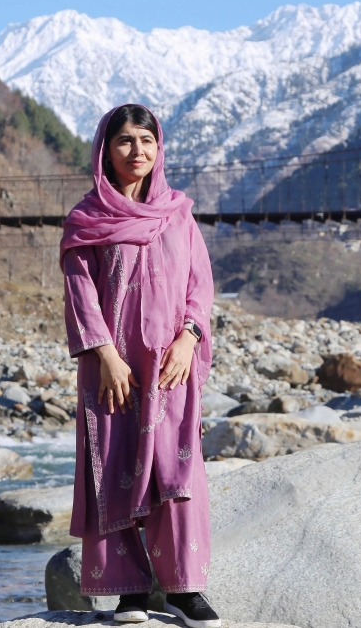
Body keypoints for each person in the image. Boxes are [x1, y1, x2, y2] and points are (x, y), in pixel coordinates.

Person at [61, 104, 219, 628]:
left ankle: (185, 590)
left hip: (171, 365)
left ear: (159, 147)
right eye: (126, 141)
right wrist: (105, 355)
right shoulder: (86, 219)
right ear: (105, 150)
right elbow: (81, 296)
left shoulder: (179, 214)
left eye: (147, 140)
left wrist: (189, 339)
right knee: (115, 461)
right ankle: (128, 591)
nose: (138, 151)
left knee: (176, 468)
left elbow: (200, 285)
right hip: (112, 367)